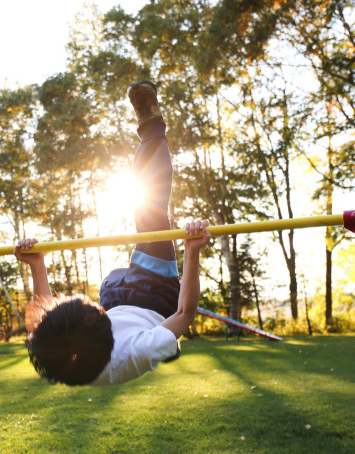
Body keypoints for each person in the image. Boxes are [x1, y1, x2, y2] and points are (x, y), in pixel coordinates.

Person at [14, 81, 211, 386]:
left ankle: (109, 304)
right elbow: (184, 313)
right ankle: (151, 122)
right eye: (91, 313)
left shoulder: (64, 356)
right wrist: (192, 250)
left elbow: (47, 320)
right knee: (149, 208)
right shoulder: (137, 352)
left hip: (114, 296)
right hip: (154, 296)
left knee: (142, 216)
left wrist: (37, 263)